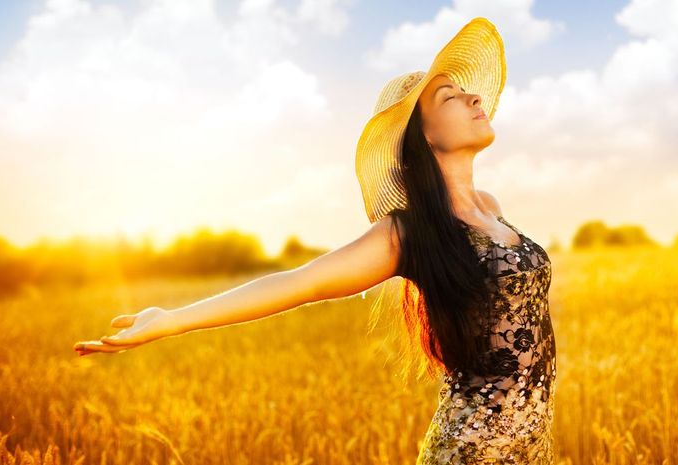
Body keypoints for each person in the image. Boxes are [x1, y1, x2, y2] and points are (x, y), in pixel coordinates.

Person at [73, 17, 557, 465]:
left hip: (534, 446)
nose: (475, 99)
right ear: (423, 135)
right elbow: (300, 283)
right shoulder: (408, 234)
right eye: (451, 97)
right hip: (472, 452)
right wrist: (172, 320)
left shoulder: (491, 206)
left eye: (468, 92)